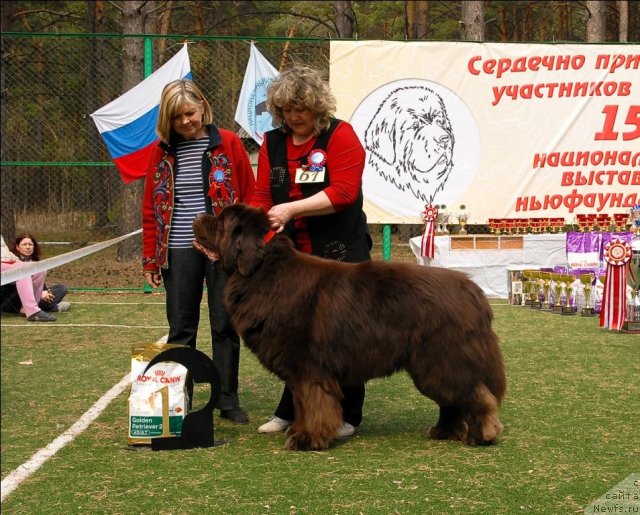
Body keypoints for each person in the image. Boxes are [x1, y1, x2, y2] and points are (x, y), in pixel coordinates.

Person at [249, 65, 372, 438]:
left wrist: (291, 209)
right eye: (285, 110)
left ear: (317, 106)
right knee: (296, 335)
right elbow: (262, 196)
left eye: (300, 109)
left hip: (340, 254)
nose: (293, 117)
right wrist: (254, 226)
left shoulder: (340, 135)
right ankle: (290, 409)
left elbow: (344, 192)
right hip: (292, 257)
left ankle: (349, 415)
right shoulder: (272, 143)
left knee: (341, 335)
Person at [142, 79, 255, 425]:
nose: (186, 121)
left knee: (224, 325)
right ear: (168, 120)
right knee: (181, 327)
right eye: (177, 117)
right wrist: (150, 257)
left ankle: (227, 399)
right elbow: (150, 207)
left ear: (202, 107)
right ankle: (177, 398)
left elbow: (249, 195)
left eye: (189, 113)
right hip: (177, 249)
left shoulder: (229, 143)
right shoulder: (160, 152)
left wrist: (243, 246)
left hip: (223, 251)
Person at [1, 233, 71, 322]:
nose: (28, 247)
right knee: (24, 271)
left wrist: (43, 291)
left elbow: (4, 251)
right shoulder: (18, 264)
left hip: (10, 263)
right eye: (24, 244)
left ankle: (28, 309)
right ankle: (41, 309)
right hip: (11, 297)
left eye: (30, 244)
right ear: (17, 247)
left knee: (41, 269)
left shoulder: (31, 261)